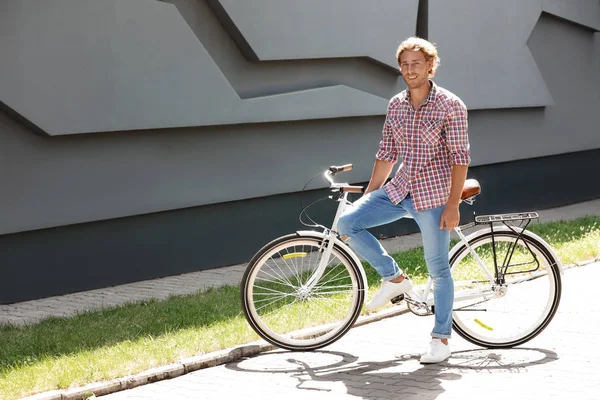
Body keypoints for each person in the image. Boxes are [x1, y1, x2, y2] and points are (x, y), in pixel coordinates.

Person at [337, 37, 470, 364]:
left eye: (417, 64)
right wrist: (371, 194)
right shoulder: (396, 104)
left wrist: (453, 204)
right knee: (348, 222)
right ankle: (396, 278)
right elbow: (387, 153)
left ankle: (441, 339)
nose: (410, 70)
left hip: (434, 195)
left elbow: (460, 158)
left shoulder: (450, 105)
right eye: (405, 64)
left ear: (430, 66)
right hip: (400, 188)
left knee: (438, 268)